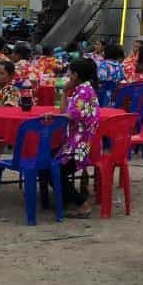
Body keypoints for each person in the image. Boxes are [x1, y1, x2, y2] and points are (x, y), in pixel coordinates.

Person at [59, 57, 100, 218]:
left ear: (75, 75)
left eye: (69, 74)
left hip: (79, 147)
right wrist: (64, 92)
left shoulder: (83, 93)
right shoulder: (84, 89)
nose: (68, 77)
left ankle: (82, 203)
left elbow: (68, 116)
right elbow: (65, 112)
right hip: (79, 143)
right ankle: (66, 199)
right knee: (47, 164)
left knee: (50, 169)